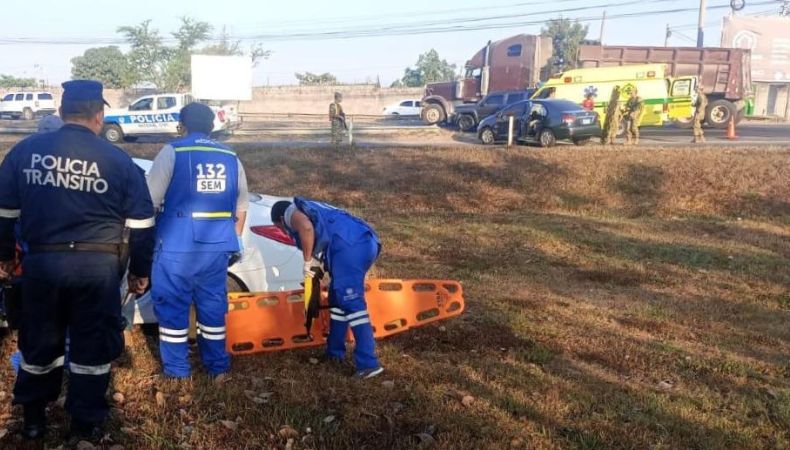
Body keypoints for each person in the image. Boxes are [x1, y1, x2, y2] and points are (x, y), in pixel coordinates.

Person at [0, 80, 155, 441]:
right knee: (91, 349)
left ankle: (34, 420)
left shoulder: (24, 152)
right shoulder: (119, 160)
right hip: (97, 270)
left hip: (42, 267)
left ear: (60, 112)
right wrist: (140, 272)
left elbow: (4, 215)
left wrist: (6, 257)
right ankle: (85, 425)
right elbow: (143, 226)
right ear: (99, 115)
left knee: (39, 345)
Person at [146, 102, 249, 380]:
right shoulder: (231, 157)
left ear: (183, 125)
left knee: (172, 308)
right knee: (212, 307)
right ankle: (217, 368)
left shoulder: (173, 152)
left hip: (176, 247)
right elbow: (241, 206)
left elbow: (150, 201)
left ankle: (178, 371)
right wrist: (234, 240)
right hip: (216, 248)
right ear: (213, 126)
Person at [271, 198, 384, 379]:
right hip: (361, 243)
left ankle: (369, 364)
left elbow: (306, 228)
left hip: (351, 246)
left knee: (352, 303)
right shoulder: (312, 208)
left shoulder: (290, 212)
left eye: (279, 227)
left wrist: (307, 262)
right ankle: (334, 352)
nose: (283, 231)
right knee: (337, 299)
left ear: (279, 219)